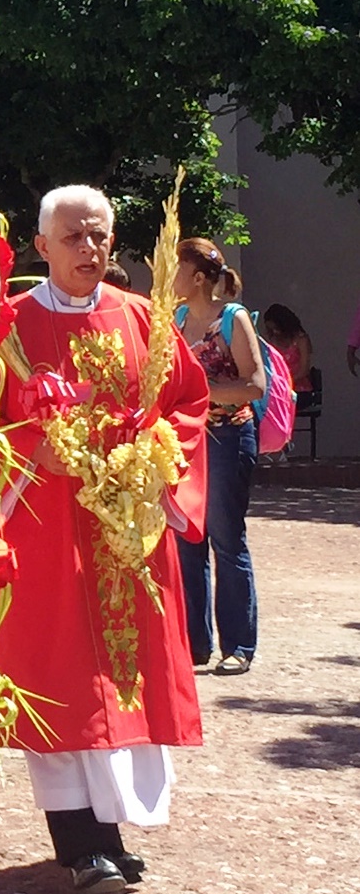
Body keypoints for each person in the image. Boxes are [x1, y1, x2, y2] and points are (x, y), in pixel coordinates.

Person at [0, 185, 208, 894]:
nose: (89, 248)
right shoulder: (11, 327)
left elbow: (187, 401)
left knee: (121, 679)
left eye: (99, 236)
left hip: (126, 531)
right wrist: (32, 452)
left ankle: (107, 835)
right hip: (47, 528)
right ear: (41, 245)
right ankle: (81, 845)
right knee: (61, 681)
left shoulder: (143, 318)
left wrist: (156, 460)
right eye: (74, 237)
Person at [173, 239, 265, 675]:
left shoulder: (233, 318)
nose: (171, 275)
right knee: (187, 539)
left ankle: (239, 646)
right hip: (185, 441)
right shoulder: (176, 320)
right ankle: (195, 644)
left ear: (196, 277)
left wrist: (201, 391)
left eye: (177, 267)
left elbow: (254, 385)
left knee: (227, 539)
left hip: (229, 437)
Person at [263, 303, 314, 405]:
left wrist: (286, 383)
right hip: (277, 390)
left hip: (299, 390)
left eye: (276, 328)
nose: (275, 332)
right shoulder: (272, 341)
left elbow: (304, 370)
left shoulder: (301, 340)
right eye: (271, 329)